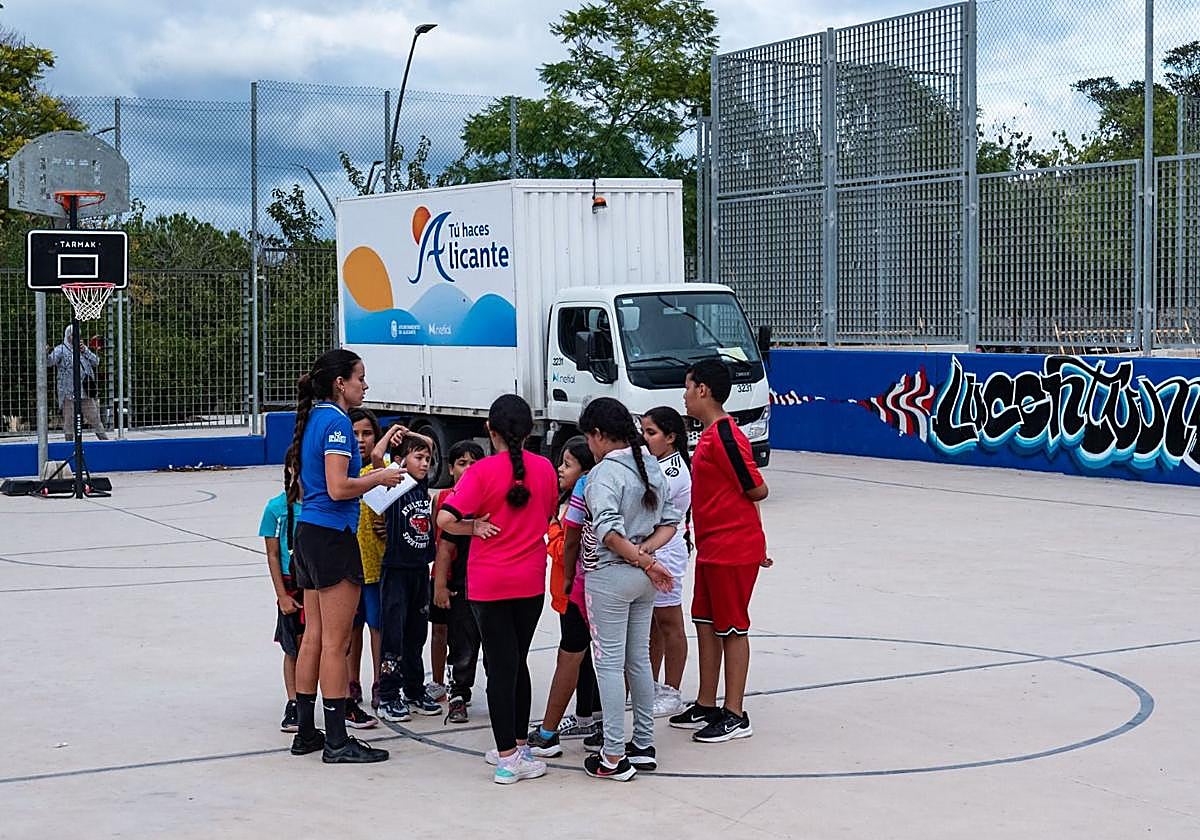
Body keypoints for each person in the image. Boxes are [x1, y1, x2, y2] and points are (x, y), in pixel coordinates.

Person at [284, 348, 400, 764]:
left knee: (313, 636)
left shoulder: (314, 418)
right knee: (335, 643)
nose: (364, 386)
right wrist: (378, 478)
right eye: (360, 378)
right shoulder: (335, 421)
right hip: (334, 534)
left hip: (311, 534)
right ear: (340, 383)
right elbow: (337, 487)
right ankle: (336, 740)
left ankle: (306, 732)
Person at [436, 394, 558, 785]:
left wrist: (472, 527)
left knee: (500, 666)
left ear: (490, 431)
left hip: (489, 584)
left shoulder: (481, 472)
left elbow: (445, 517)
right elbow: (547, 513)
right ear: (528, 430)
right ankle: (517, 746)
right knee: (516, 662)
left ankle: (508, 755)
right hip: (529, 581)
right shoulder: (545, 469)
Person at [577, 397, 679, 781]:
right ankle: (644, 744)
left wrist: (640, 558)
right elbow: (670, 521)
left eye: (589, 437)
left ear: (600, 435)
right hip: (642, 578)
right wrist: (648, 555)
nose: (590, 445)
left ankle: (613, 755)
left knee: (607, 663)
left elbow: (607, 531)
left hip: (612, 575)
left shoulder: (604, 474)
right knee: (638, 659)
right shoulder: (649, 465)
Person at [669, 359, 772, 743]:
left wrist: (754, 538)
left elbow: (756, 488)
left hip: (733, 547)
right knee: (706, 622)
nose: (683, 395)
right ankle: (707, 702)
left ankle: (735, 713)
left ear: (703, 390)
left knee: (732, 627)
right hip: (713, 547)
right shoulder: (711, 436)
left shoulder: (727, 436)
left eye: (687, 386)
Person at [525, 436, 601, 757]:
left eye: (567, 464)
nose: (560, 469)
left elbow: (566, 549)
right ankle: (590, 717)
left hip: (575, 593)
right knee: (583, 661)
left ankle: (549, 732)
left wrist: (553, 527)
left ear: (586, 472)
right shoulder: (566, 499)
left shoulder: (576, 505)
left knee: (570, 655)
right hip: (565, 594)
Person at [375, 429, 442, 721]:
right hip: (396, 571)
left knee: (417, 633)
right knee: (394, 634)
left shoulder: (421, 484)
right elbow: (377, 455)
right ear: (402, 461)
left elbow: (429, 443)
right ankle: (388, 694)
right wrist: (393, 433)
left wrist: (414, 435)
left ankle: (414, 689)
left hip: (419, 570)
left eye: (427, 459)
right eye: (418, 458)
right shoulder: (394, 482)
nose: (425, 462)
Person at [641, 406, 694, 718]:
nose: (645, 438)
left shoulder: (673, 472)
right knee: (652, 624)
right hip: (652, 548)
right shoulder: (656, 463)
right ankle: (649, 684)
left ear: (671, 437)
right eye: (644, 432)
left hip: (667, 549)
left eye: (652, 433)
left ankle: (672, 690)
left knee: (669, 622)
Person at [431, 440, 486, 724]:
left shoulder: (490, 500)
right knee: (461, 645)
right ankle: (457, 695)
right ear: (450, 468)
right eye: (462, 463)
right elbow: (444, 548)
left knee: (497, 648)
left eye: (475, 463)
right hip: (463, 586)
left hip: (495, 587)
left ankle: (504, 692)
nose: (469, 470)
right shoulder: (456, 505)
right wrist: (440, 585)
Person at [346, 407, 383, 726]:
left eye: (367, 433)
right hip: (347, 565)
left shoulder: (384, 470)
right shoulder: (340, 470)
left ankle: (380, 682)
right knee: (350, 627)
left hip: (377, 564)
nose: (360, 440)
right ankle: (350, 681)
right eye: (354, 433)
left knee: (377, 626)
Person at [259, 475, 304, 732]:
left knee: (331, 645)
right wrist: (282, 595)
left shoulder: (321, 505)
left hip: (319, 584)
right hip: (291, 585)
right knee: (293, 649)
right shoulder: (276, 508)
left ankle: (342, 700)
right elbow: (273, 554)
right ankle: (294, 701)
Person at [47, 325, 108, 441]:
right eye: (73, 335)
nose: (75, 337)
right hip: (69, 393)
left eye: (77, 335)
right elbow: (50, 362)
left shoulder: (82, 349)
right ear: (67, 336)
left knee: (95, 419)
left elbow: (96, 362)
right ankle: (69, 445)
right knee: (69, 423)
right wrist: (45, 353)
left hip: (85, 392)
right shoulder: (61, 349)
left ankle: (104, 442)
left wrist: (85, 350)